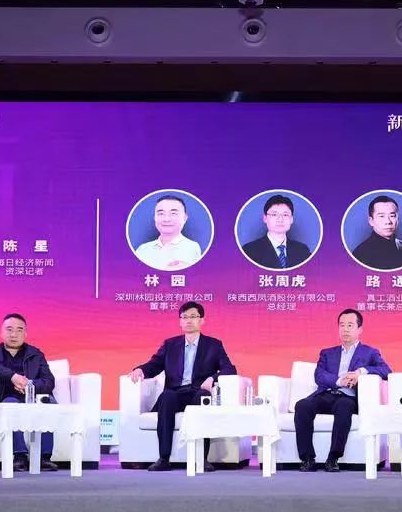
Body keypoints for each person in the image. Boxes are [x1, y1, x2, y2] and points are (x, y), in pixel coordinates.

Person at [129, 301, 237, 472]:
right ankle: (164, 458)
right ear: (180, 321)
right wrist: (140, 369)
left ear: (202, 320)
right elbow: (154, 365)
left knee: (204, 398)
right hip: (175, 392)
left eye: (193, 317)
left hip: (198, 392)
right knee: (166, 396)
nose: (188, 321)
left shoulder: (213, 345)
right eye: (184, 317)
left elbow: (229, 369)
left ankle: (202, 458)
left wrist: (213, 378)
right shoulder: (170, 345)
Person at [293, 309, 392, 472]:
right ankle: (307, 459)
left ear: (360, 329)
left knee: (343, 407)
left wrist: (361, 372)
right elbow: (319, 375)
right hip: (326, 394)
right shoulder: (327, 353)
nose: (345, 329)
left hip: (348, 398)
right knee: (302, 405)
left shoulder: (370, 352)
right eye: (342, 325)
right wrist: (340, 381)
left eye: (350, 325)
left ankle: (333, 458)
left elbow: (386, 371)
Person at [0, 313, 59, 472]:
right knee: (10, 405)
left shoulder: (36, 354)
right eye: (9, 329)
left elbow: (49, 381)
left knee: (49, 403)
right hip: (8, 397)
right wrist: (13, 377)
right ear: (1, 332)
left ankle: (44, 457)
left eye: (19, 330)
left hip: (33, 397)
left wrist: (29, 385)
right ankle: (20, 456)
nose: (14, 334)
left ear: (25, 334)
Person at [240, 194, 312, 270]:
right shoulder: (249, 251)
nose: (280, 219)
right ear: (265, 218)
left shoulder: (302, 250)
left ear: (291, 219)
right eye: (274, 214)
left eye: (285, 215)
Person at [133, 194, 204, 271]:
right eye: (161, 213)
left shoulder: (192, 248)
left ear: (184, 218)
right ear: (155, 217)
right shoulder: (142, 250)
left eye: (173, 213)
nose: (166, 219)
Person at [351, 195, 402, 271]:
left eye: (392, 216)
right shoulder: (360, 253)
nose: (388, 221)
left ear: (398, 219)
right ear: (371, 221)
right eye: (381, 216)